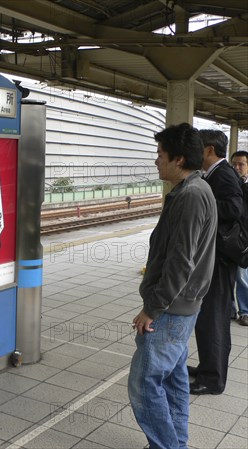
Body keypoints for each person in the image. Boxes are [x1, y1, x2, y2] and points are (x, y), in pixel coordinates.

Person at [127, 123, 217, 449]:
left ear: (178, 160)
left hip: (171, 310)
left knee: (143, 383)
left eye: (160, 155)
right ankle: (174, 441)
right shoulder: (192, 189)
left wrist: (152, 309)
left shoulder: (191, 196)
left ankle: (166, 445)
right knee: (175, 378)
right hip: (183, 306)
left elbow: (181, 263)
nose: (156, 161)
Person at [188, 130, 244, 395]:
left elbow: (234, 208)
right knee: (208, 317)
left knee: (215, 318)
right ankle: (208, 367)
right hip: (216, 257)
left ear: (209, 150)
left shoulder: (223, 174)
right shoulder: (216, 173)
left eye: (198, 148)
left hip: (221, 260)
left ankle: (213, 379)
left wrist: (203, 205)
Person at [230, 150, 248, 326]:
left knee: (242, 275)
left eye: (241, 164)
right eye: (234, 164)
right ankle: (229, 309)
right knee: (226, 275)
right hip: (228, 238)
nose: (236, 167)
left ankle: (245, 311)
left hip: (244, 239)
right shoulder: (228, 183)